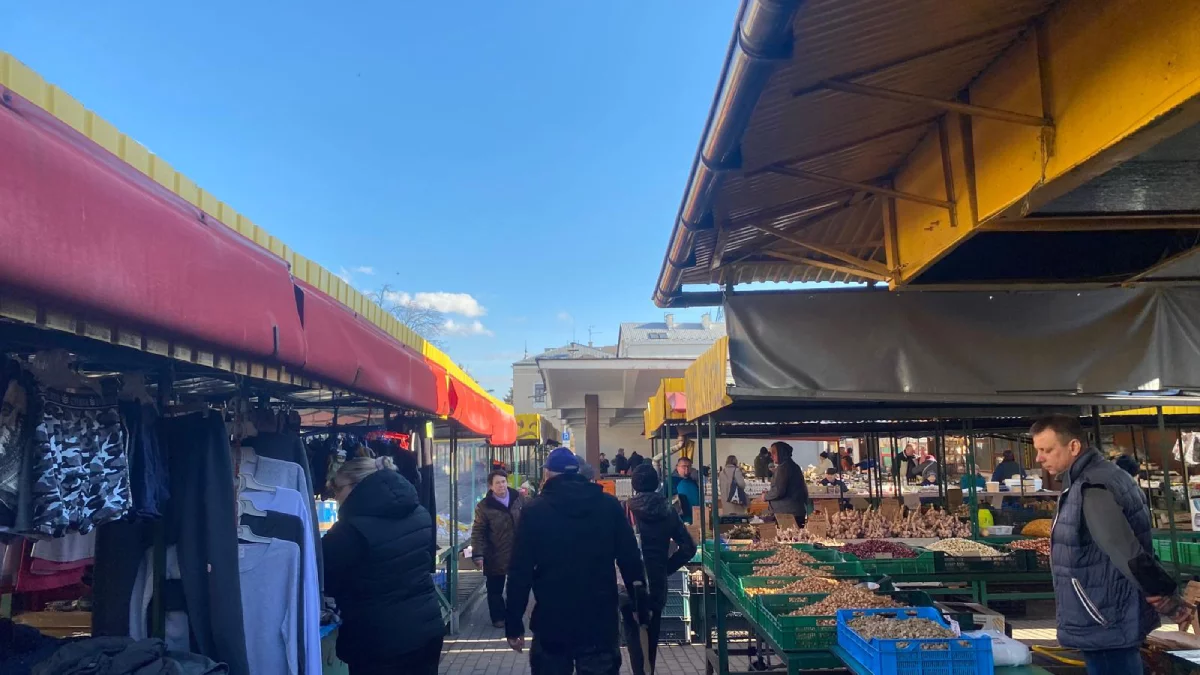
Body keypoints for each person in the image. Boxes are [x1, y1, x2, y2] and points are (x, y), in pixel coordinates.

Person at [1032, 414, 1194, 675]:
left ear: (1073, 446)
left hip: (1104, 613)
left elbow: (1124, 550)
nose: (1039, 458)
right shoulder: (1096, 478)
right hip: (1105, 609)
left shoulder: (1093, 486)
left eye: (1047, 450)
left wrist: (1165, 597)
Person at [505, 447, 647, 675]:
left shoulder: (534, 511)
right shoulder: (608, 506)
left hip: (552, 618)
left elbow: (519, 571)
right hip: (600, 619)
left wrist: (513, 624)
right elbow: (630, 559)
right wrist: (640, 606)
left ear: (547, 474)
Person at [324, 457, 444, 675]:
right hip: (426, 627)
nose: (335, 495)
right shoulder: (418, 512)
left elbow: (324, 577)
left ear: (357, 486)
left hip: (379, 641)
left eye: (337, 488)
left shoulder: (349, 530)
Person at [625, 465, 697, 675]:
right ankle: (648, 668)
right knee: (652, 631)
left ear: (634, 484)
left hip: (629, 579)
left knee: (632, 631)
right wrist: (667, 568)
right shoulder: (668, 511)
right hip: (656, 580)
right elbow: (689, 547)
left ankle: (639, 670)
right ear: (656, 483)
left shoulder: (624, 510)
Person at [471, 471, 527, 628]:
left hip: (518, 551)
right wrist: (478, 554)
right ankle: (498, 618)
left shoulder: (518, 498)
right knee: (495, 588)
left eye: (503, 481)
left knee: (516, 587)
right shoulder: (484, 506)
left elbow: (529, 520)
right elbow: (478, 531)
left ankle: (514, 615)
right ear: (491, 486)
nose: (501, 485)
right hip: (495, 553)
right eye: (497, 483)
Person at [762, 442, 809, 523]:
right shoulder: (793, 466)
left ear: (782, 453)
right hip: (795, 511)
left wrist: (765, 496)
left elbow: (778, 491)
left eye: (774, 453)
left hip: (787, 514)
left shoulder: (783, 468)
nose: (771, 456)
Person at [671, 457, 701, 524]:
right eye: (683, 466)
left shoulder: (693, 482)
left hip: (695, 519)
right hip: (680, 521)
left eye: (689, 466)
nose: (686, 469)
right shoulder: (671, 482)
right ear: (677, 467)